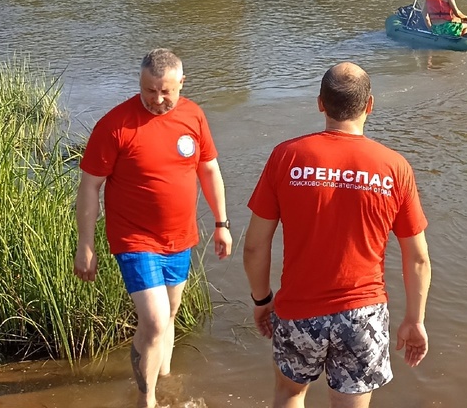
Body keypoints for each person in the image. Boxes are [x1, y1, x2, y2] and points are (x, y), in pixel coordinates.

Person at [244, 62, 432, 408]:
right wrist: (415, 319)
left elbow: (255, 246)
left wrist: (261, 299)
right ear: (369, 105)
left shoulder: (286, 157)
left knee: (289, 394)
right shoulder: (394, 167)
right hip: (363, 313)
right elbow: (418, 257)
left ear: (320, 103)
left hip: (299, 309)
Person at [74, 49, 232, 408]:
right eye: (149, 90)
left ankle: (166, 381)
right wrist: (86, 245)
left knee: (171, 315)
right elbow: (89, 185)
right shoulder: (115, 125)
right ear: (140, 83)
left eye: (165, 91)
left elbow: (209, 170)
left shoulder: (194, 116)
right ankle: (147, 402)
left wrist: (221, 224)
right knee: (156, 321)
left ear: (181, 84)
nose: (157, 99)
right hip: (134, 239)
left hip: (180, 237)